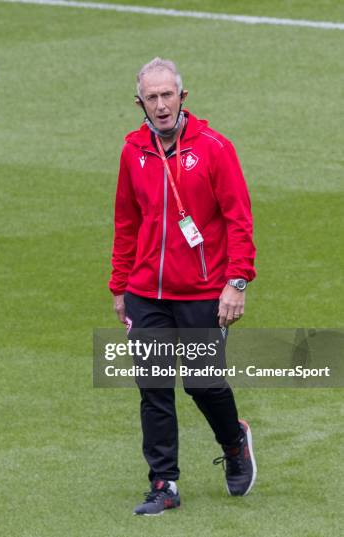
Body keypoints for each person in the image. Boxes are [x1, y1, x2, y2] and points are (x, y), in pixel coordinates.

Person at [109, 57, 257, 516]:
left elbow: (239, 219)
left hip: (203, 292)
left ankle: (234, 442)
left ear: (182, 97)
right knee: (153, 387)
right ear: (140, 103)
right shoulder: (133, 151)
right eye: (150, 98)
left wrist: (236, 282)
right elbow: (126, 219)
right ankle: (164, 483)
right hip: (146, 294)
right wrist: (119, 285)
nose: (160, 105)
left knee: (202, 383)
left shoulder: (215, 148)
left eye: (166, 95)